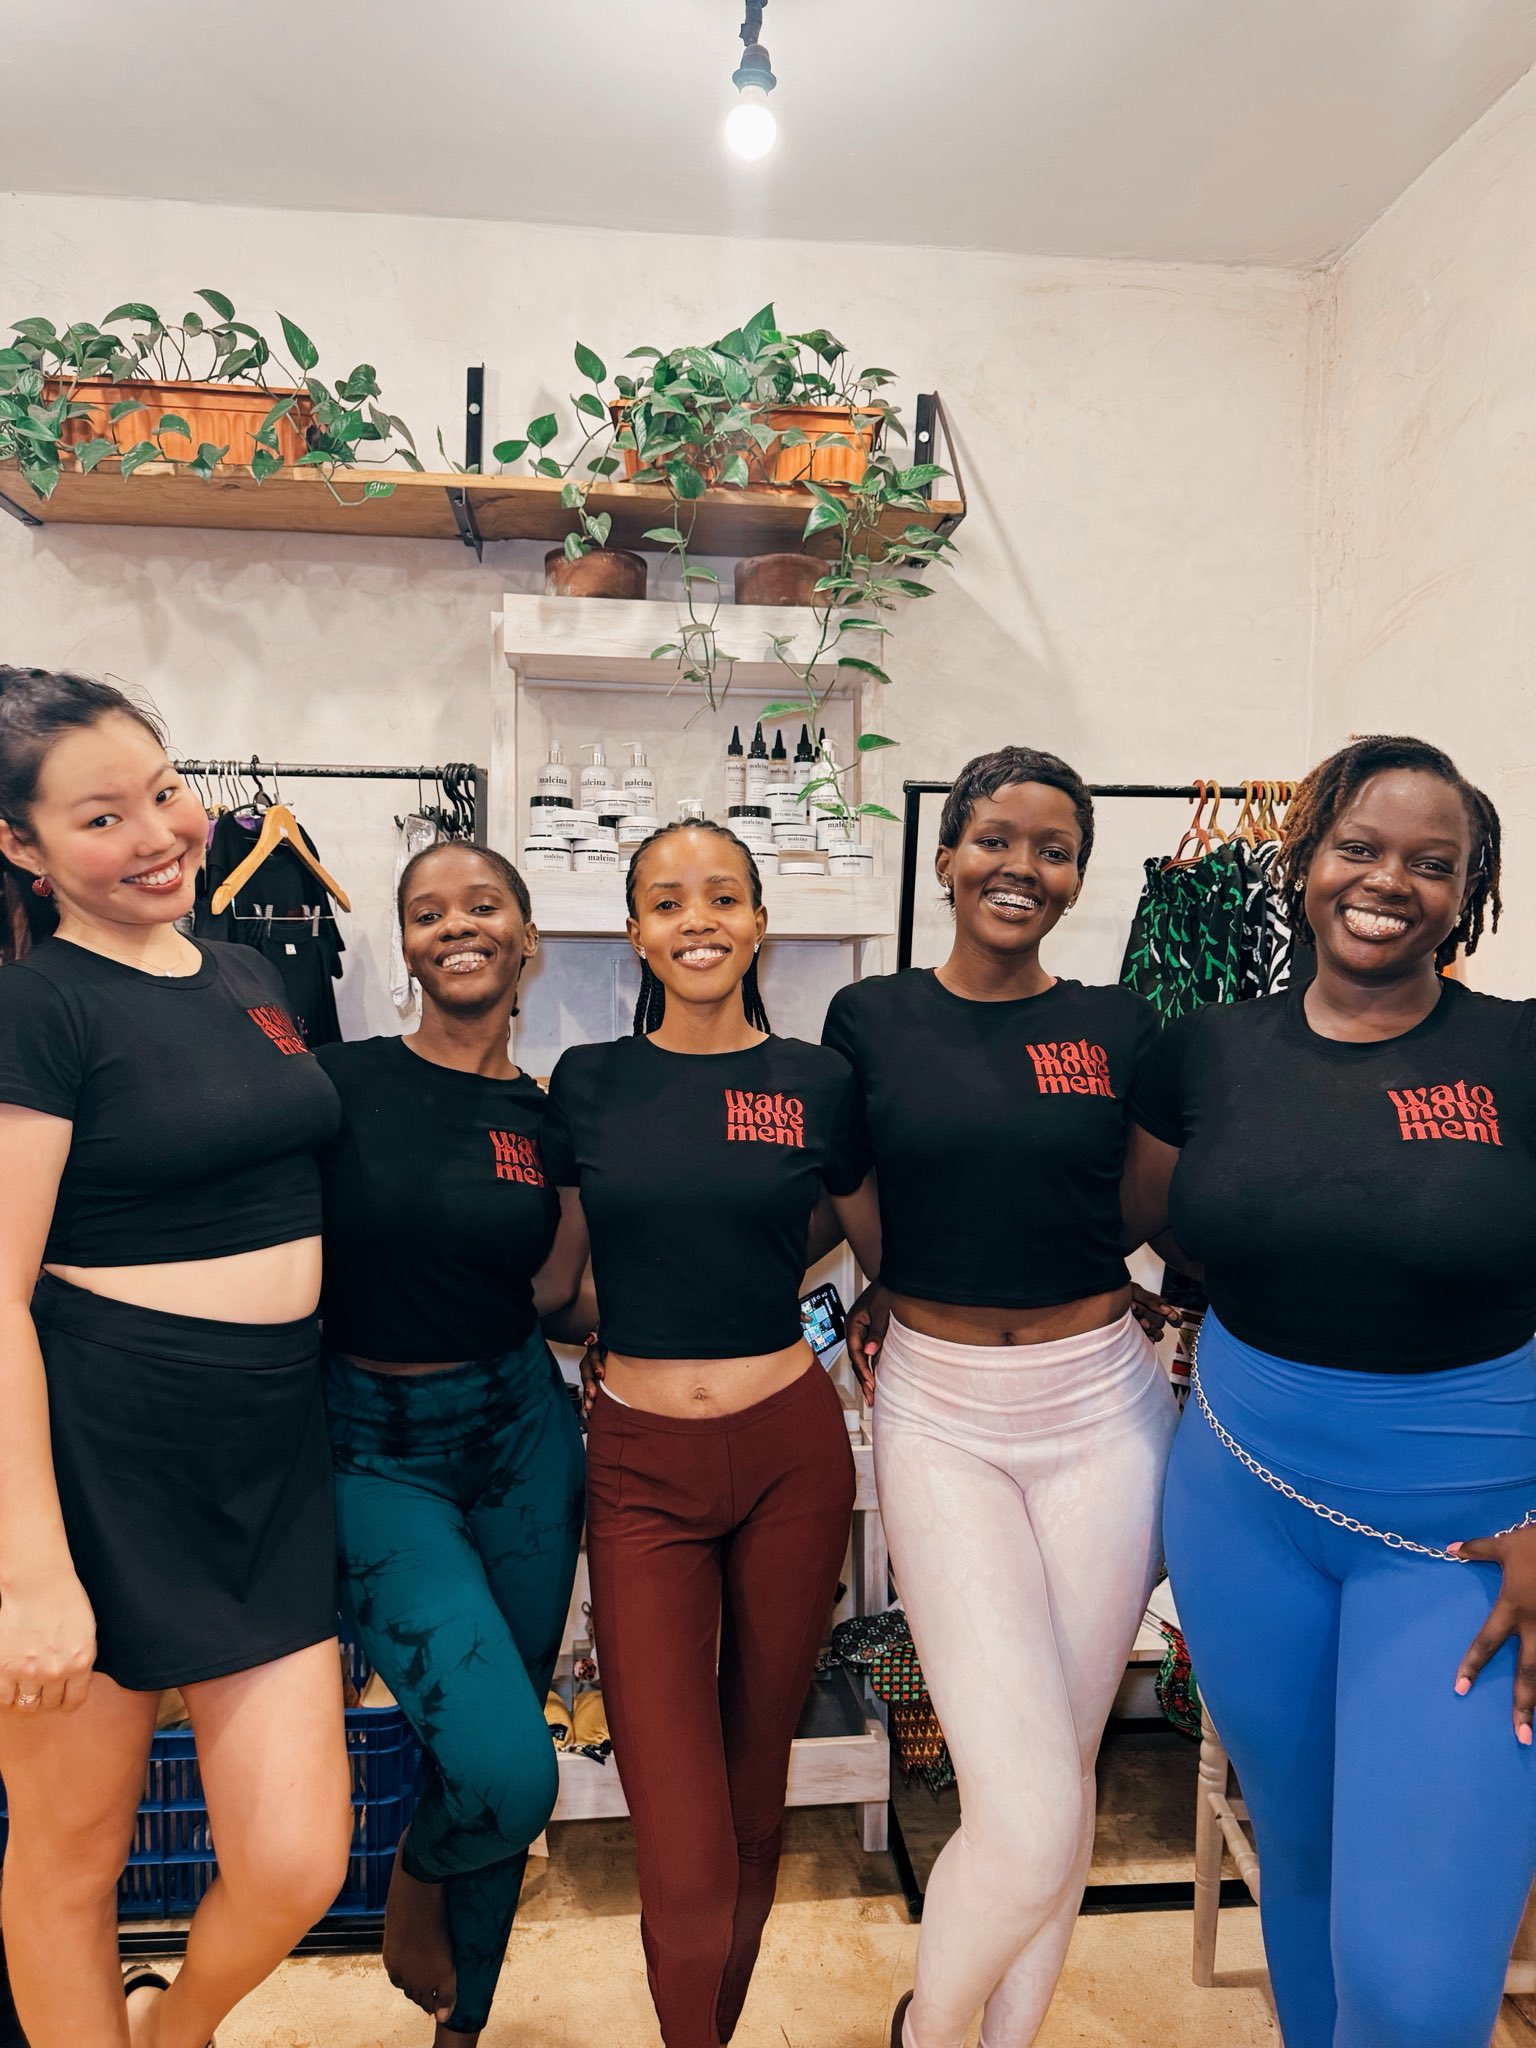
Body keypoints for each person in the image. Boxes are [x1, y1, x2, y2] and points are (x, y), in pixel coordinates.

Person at [1123, 735, 1536, 2048]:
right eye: (1359, 847)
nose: (1388, 881)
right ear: (1304, 861)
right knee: (1301, 1861)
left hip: (1474, 1541)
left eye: (1432, 863)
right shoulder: (1205, 1051)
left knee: (1416, 1986)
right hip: (1244, 1504)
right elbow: (1147, 1223)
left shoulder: (1520, 1052)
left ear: (1467, 892)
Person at [0, 666, 352, 2048]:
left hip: (267, 1447)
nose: (158, 835)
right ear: (20, 844)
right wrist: (32, 1570)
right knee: (71, 1856)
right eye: (102, 817)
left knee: (296, 1857)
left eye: (164, 791)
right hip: (100, 1456)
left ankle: (175, 2026)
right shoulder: (38, 1006)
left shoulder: (246, 971)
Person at [822, 746, 1179, 2048]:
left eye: (1053, 848)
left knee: (1061, 1778)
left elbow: (1135, 1206)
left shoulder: (1120, 1026)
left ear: (1078, 876)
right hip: (943, 1414)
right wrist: (901, 1286)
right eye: (995, 840)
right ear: (946, 858)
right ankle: (930, 2030)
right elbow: (859, 1196)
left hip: (1104, 1409)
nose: (1021, 866)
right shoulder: (872, 1018)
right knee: (1021, 1806)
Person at [536, 818, 878, 2048]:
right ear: (634, 930)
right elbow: (561, 1281)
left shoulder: (816, 1082)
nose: (698, 920)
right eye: (669, 900)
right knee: (681, 1838)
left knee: (751, 1791)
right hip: (641, 1468)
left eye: (723, 896)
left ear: (759, 923)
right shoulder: (586, 1080)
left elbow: (870, 1239)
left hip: (792, 1452)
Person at [316, 842, 586, 2048]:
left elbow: (560, 1291)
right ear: (407, 945)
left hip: (522, 1437)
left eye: (483, 905)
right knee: (511, 1772)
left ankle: (462, 2025)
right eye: (428, 912)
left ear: (527, 938)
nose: (457, 926)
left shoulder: (549, 1115)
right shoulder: (339, 1082)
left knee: (501, 1725)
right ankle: (418, 1872)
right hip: (377, 1454)